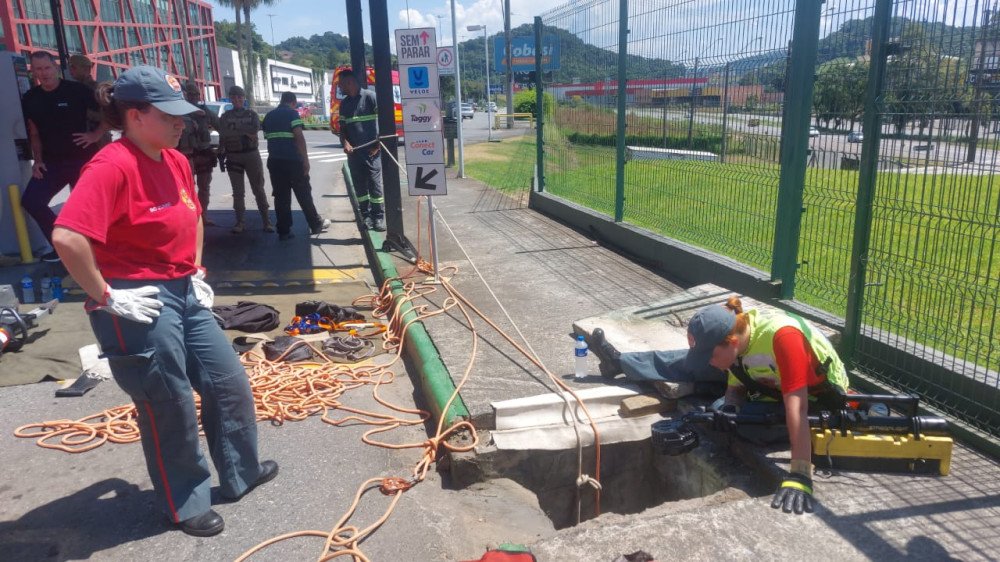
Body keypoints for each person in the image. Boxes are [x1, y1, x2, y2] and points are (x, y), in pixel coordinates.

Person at [50, 65, 278, 537]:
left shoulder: (172, 159)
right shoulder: (112, 165)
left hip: (182, 290)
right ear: (134, 116)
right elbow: (68, 237)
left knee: (227, 379)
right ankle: (184, 501)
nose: (182, 123)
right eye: (170, 115)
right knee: (168, 401)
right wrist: (107, 295)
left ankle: (241, 472)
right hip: (137, 298)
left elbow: (192, 216)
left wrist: (194, 269)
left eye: (183, 114)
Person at [594, 297, 849, 515]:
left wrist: (800, 474)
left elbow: (798, 408)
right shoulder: (737, 337)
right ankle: (621, 362)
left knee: (751, 428)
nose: (710, 362)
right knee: (711, 395)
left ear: (733, 343)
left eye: (712, 355)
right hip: (768, 386)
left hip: (816, 398)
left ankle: (704, 390)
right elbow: (736, 386)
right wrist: (731, 406)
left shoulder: (783, 338)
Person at [20, 51, 108, 262]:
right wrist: (38, 160)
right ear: (34, 72)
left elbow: (110, 114)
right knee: (31, 200)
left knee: (89, 210)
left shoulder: (76, 90)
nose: (44, 73)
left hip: (82, 160)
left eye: (47, 68)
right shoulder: (31, 98)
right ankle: (63, 248)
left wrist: (95, 134)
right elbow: (34, 132)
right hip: (52, 162)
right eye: (39, 69)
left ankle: (99, 254)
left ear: (56, 68)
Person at [262, 91, 329, 240]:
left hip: (275, 162)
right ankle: (315, 224)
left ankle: (284, 231)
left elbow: (268, 137)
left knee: (281, 197)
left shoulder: (269, 116)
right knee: (304, 193)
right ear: (293, 102)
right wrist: (305, 160)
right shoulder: (292, 114)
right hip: (293, 162)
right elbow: (299, 137)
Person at [218, 85, 273, 233]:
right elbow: (223, 136)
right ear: (230, 98)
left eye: (239, 97)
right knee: (237, 192)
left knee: (258, 189)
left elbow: (254, 130)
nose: (236, 99)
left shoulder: (251, 114)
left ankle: (266, 221)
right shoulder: (225, 117)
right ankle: (240, 222)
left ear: (244, 98)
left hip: (251, 155)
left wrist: (234, 130)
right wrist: (221, 153)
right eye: (234, 97)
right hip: (232, 155)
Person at [337, 69, 385, 232]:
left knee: (374, 184)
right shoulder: (344, 104)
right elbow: (342, 128)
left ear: (349, 82)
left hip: (372, 151)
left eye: (340, 84)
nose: (339, 88)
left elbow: (383, 122)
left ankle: (378, 217)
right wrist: (345, 143)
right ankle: (366, 216)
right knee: (359, 186)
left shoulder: (370, 97)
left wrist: (377, 143)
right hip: (354, 153)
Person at [176, 81, 219, 225]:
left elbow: (222, 126)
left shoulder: (205, 111)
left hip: (204, 153)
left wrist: (224, 147)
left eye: (195, 94)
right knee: (186, 189)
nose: (193, 96)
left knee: (204, 187)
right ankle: (189, 218)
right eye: (190, 93)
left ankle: (203, 216)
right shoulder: (177, 111)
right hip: (186, 155)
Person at [68, 54, 112, 149]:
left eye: (74, 67)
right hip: (84, 139)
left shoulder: (97, 89)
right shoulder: (74, 89)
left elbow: (110, 115)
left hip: (98, 140)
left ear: (86, 69)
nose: (70, 70)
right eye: (70, 67)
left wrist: (82, 113)